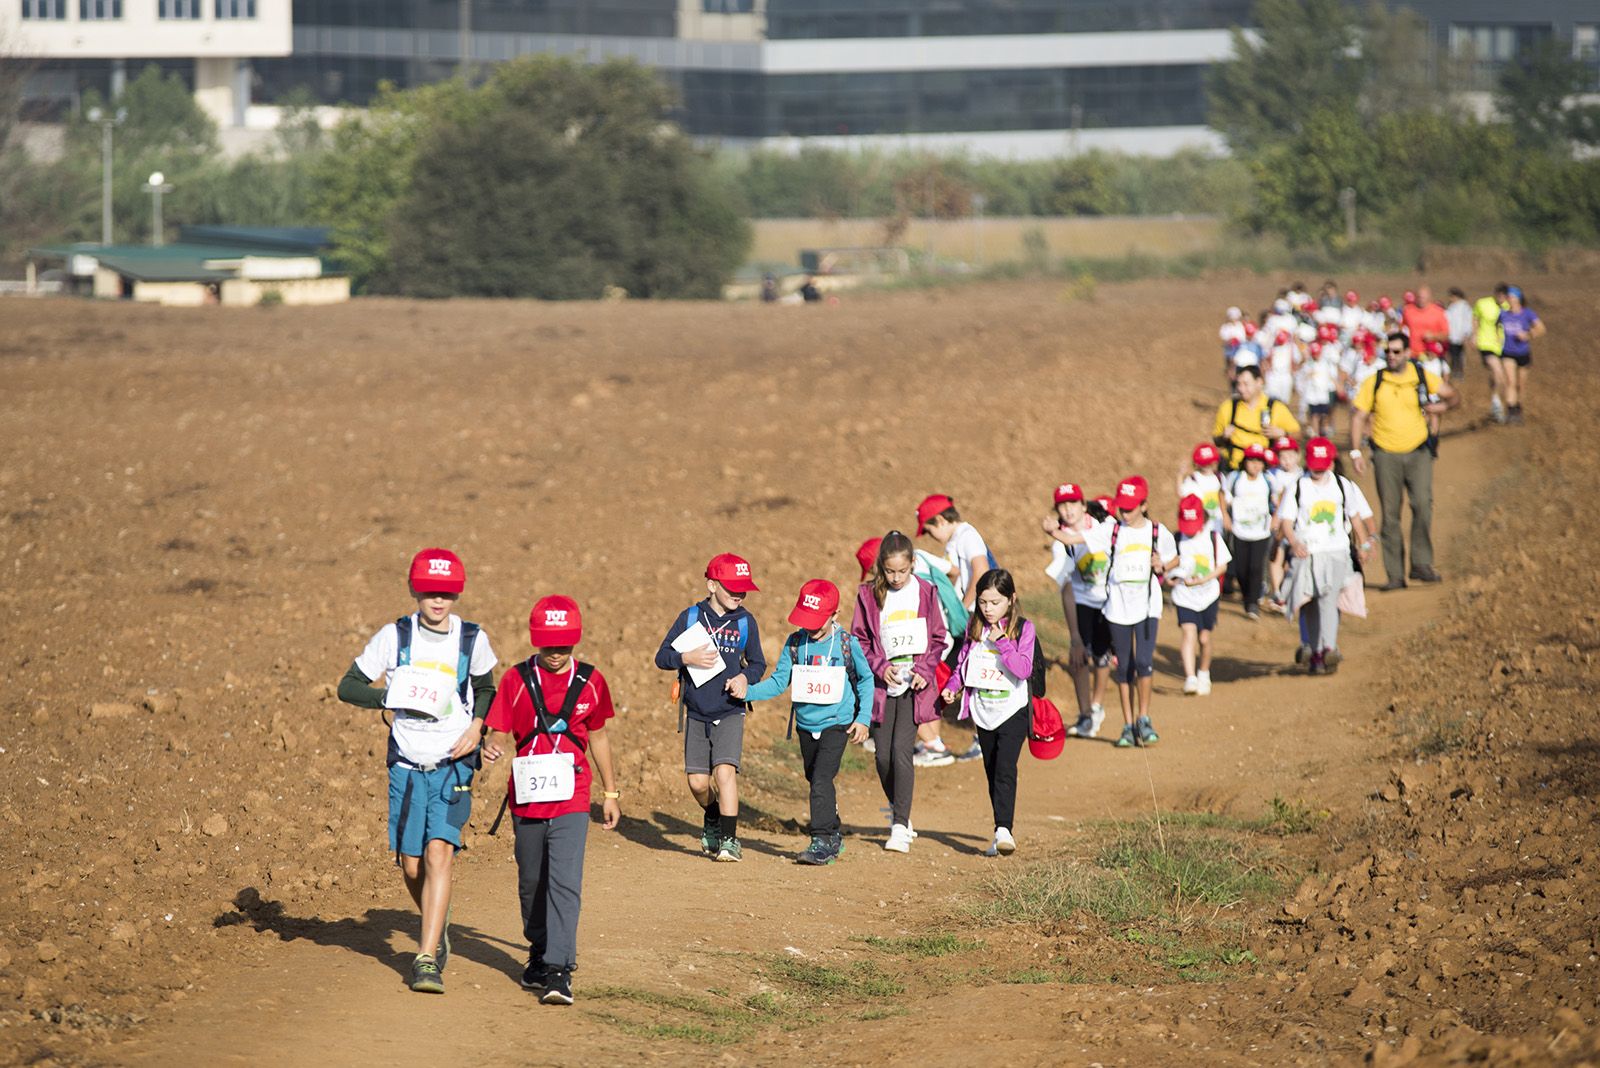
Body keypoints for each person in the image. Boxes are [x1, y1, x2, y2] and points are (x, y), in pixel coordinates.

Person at [336, 549, 498, 995]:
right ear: (414, 591)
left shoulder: (471, 638)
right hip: (407, 763)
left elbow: (486, 686)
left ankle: (426, 957)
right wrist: (387, 699)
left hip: (453, 762)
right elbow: (347, 686)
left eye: (446, 593)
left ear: (457, 593)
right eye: (430, 592)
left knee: (438, 854)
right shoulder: (394, 637)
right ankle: (435, 919)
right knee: (411, 865)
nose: (438, 601)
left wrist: (478, 727)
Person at [481, 595, 619, 1006]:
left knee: (564, 880)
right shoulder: (515, 680)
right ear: (535, 641)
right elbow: (500, 730)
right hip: (526, 798)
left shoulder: (592, 681)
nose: (555, 655)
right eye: (547, 646)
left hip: (573, 797)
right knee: (531, 881)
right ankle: (538, 950)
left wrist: (610, 793)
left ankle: (560, 969)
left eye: (563, 646)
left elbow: (599, 736)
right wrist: (494, 745)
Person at [747, 580, 873, 865]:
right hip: (805, 724)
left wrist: (863, 719)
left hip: (837, 722)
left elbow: (866, 679)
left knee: (820, 780)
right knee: (815, 778)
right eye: (806, 621)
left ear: (835, 615)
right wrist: (747, 692)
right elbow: (780, 682)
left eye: (817, 622)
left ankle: (822, 841)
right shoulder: (795, 643)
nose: (811, 628)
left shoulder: (846, 644)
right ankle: (833, 830)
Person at [1044, 477, 1176, 748]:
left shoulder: (1143, 530)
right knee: (1113, 663)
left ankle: (1137, 717)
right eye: (1121, 508)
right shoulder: (1107, 532)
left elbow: (1173, 557)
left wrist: (1161, 565)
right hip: (1108, 606)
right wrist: (1051, 531)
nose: (1124, 513)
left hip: (1139, 604)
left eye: (1129, 508)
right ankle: (1112, 720)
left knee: (1136, 662)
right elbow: (1070, 551)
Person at [654, 553, 766, 863]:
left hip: (730, 709)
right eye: (731, 588)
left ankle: (730, 840)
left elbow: (758, 663)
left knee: (725, 772)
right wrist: (685, 658)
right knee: (698, 782)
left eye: (743, 589)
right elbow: (661, 657)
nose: (738, 595)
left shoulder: (745, 621)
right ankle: (713, 815)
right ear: (711, 584)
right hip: (697, 712)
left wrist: (745, 677)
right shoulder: (690, 617)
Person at [851, 531, 949, 853]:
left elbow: (938, 638)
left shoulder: (926, 592)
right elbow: (860, 641)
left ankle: (898, 826)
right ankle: (901, 812)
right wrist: (881, 667)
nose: (895, 578)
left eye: (902, 572)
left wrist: (923, 670)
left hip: (914, 688)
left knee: (901, 751)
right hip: (882, 687)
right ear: (881, 567)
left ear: (913, 565)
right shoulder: (868, 596)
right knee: (882, 756)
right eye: (889, 571)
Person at [1349, 336, 1460, 589]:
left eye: (1397, 351)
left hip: (1418, 452)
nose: (1391, 355)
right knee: (1390, 514)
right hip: (1385, 454)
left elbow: (1453, 396)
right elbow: (1358, 416)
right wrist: (1356, 452)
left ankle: (1421, 564)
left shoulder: (1421, 376)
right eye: (1387, 351)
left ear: (1408, 352)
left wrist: (1439, 408)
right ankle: (1395, 575)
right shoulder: (1375, 381)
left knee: (1422, 504)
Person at [941, 569, 1036, 857]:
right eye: (983, 602)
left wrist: (1002, 642)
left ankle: (1004, 829)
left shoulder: (1023, 629)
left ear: (1011, 599)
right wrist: (952, 687)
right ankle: (999, 830)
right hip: (983, 711)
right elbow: (962, 665)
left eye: (995, 602)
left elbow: (1023, 669)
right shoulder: (974, 627)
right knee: (991, 769)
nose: (988, 609)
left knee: (1006, 769)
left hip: (1013, 710)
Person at [1275, 439, 1376, 675]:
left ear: (1331, 462)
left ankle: (1326, 650)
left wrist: (1365, 545)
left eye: (1322, 465)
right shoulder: (1297, 487)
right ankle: (1313, 647)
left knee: (1327, 599)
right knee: (1308, 602)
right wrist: (1294, 542)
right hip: (1306, 553)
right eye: (1314, 465)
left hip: (1336, 551)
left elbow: (1355, 518)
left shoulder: (1343, 485)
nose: (1318, 471)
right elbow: (1287, 523)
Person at [914, 494, 994, 762]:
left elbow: (981, 572)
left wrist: (964, 608)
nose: (930, 535)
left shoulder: (967, 534)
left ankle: (984, 739)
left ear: (940, 520)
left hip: (975, 617)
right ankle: (981, 739)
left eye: (929, 529)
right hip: (972, 616)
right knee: (967, 675)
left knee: (976, 676)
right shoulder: (957, 539)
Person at [1045, 483, 1112, 739]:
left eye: (1073, 503)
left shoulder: (1103, 526)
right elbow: (1067, 587)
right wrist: (1074, 636)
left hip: (1109, 601)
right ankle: (1086, 713)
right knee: (1080, 656)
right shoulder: (1059, 543)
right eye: (1062, 505)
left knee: (1103, 655)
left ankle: (1097, 703)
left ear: (1084, 506)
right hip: (1083, 601)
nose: (1068, 509)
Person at [1170, 494, 1230, 695]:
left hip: (1208, 595)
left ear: (1202, 519)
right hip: (1184, 596)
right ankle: (1190, 678)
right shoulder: (1177, 539)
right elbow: (1169, 569)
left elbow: (1222, 566)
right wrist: (1170, 578)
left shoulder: (1212, 537)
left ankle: (1203, 672)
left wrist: (1204, 579)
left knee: (1204, 638)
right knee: (1189, 633)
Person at [1212, 365, 1301, 469]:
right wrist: (1224, 436)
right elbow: (1216, 440)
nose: (1241, 389)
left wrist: (1283, 434)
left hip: (1265, 470)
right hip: (1234, 467)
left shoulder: (1275, 408)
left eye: (1246, 384)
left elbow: (1298, 434)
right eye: (1239, 384)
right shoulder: (1228, 407)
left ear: (1259, 382)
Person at [1225, 444, 1276, 620]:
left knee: (1256, 567)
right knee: (1240, 568)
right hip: (1239, 530)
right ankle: (1248, 595)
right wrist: (1225, 517)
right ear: (1245, 462)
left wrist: (1275, 519)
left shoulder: (1268, 479)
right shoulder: (1235, 478)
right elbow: (1222, 495)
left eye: (1258, 461)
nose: (1255, 465)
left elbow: (1279, 497)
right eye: (1251, 461)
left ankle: (1252, 603)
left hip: (1261, 531)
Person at [1497, 286, 1544, 425]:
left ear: (1518, 298)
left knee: (1520, 385)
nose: (1509, 300)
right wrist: (1496, 338)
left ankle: (1518, 408)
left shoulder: (1527, 314)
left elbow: (1541, 328)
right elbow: (1495, 327)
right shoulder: (1503, 314)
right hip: (1507, 352)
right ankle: (1511, 410)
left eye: (1511, 297)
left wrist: (1528, 335)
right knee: (1510, 382)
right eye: (1508, 297)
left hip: (1523, 353)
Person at [1473, 284, 1509, 423]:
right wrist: (1474, 335)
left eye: (1503, 296)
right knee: (1498, 372)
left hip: (1503, 346)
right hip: (1486, 343)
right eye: (1499, 295)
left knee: (1498, 376)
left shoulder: (1508, 306)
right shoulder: (1483, 303)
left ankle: (1495, 398)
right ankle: (1497, 403)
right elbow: (1475, 317)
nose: (1501, 298)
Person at [1178, 443, 1229, 538]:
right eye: (1204, 463)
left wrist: (1225, 516)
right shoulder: (1193, 479)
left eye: (1210, 462)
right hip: (1200, 527)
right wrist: (1180, 476)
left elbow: (1226, 498)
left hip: (1218, 525)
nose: (1208, 466)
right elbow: (1182, 494)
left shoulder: (1219, 477)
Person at [1401, 285, 1449, 356]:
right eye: (1419, 297)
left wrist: (1433, 336)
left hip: (1430, 354)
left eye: (1423, 297)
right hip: (1411, 354)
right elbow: (1402, 328)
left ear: (1429, 297)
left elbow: (1446, 335)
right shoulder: (1408, 310)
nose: (1421, 299)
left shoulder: (1439, 312)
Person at [1445, 287, 1472, 380]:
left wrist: (1466, 333)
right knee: (1452, 354)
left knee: (1460, 354)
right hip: (1451, 335)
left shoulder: (1464, 306)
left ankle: (1460, 371)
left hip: (1460, 335)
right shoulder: (1451, 307)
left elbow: (1467, 321)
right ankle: (1454, 371)